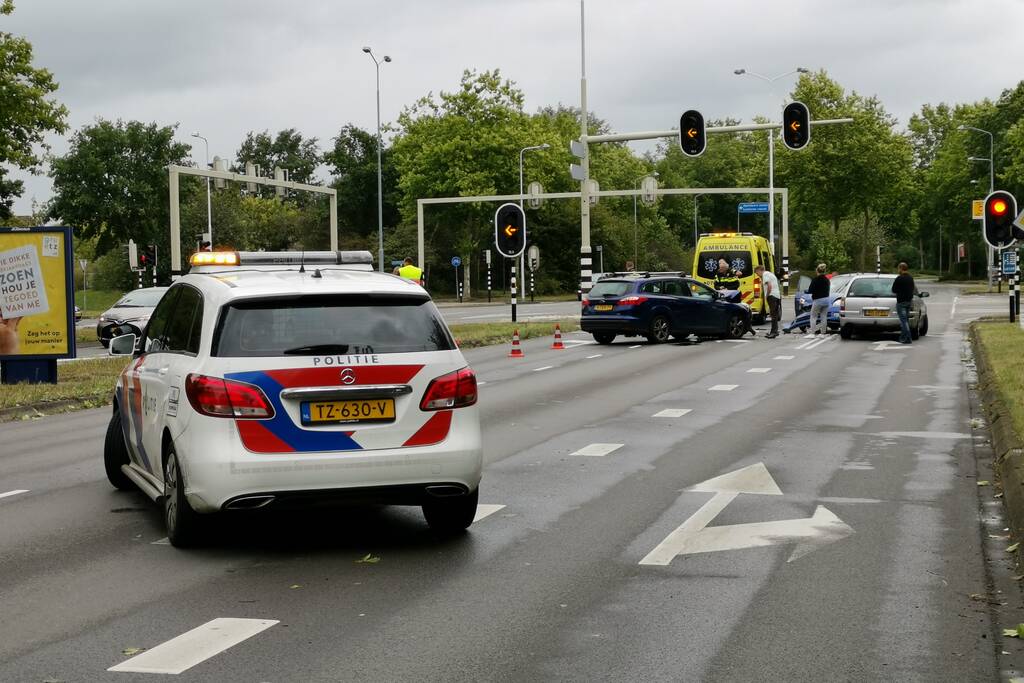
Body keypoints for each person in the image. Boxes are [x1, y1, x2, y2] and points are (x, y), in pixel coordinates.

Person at [892, 261, 915, 344]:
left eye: (898, 268)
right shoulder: (910, 278)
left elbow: (893, 290)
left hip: (901, 302)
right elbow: (912, 289)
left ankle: (908, 338)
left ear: (901, 268)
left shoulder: (899, 278)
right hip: (909, 302)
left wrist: (899, 291)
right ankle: (903, 337)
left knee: (903, 321)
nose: (898, 270)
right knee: (906, 321)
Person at [756, 265, 781, 338]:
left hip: (772, 296)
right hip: (777, 295)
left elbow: (769, 286)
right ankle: (774, 331)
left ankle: (773, 332)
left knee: (773, 315)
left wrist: (767, 296)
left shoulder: (765, 275)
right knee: (775, 315)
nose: (757, 275)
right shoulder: (770, 274)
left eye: (757, 273)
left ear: (759, 270)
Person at [806, 263, 831, 336]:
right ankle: (823, 333)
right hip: (826, 299)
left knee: (813, 316)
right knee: (824, 316)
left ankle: (812, 333)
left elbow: (810, 290)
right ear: (824, 271)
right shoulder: (827, 280)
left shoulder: (815, 280)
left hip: (818, 300)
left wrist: (806, 291)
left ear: (817, 271)